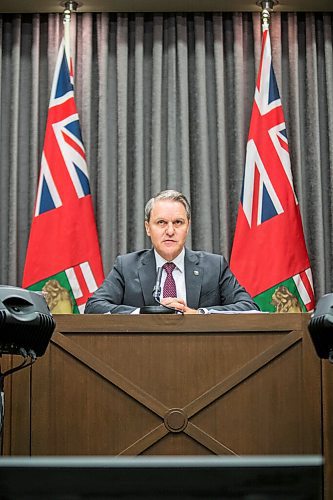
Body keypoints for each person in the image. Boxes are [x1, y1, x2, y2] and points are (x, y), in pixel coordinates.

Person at [84, 190, 259, 314]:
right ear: (147, 228)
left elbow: (249, 307)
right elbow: (94, 306)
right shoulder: (126, 266)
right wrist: (143, 313)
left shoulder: (215, 266)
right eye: (161, 222)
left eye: (178, 222)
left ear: (187, 227)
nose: (169, 231)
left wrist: (199, 314)